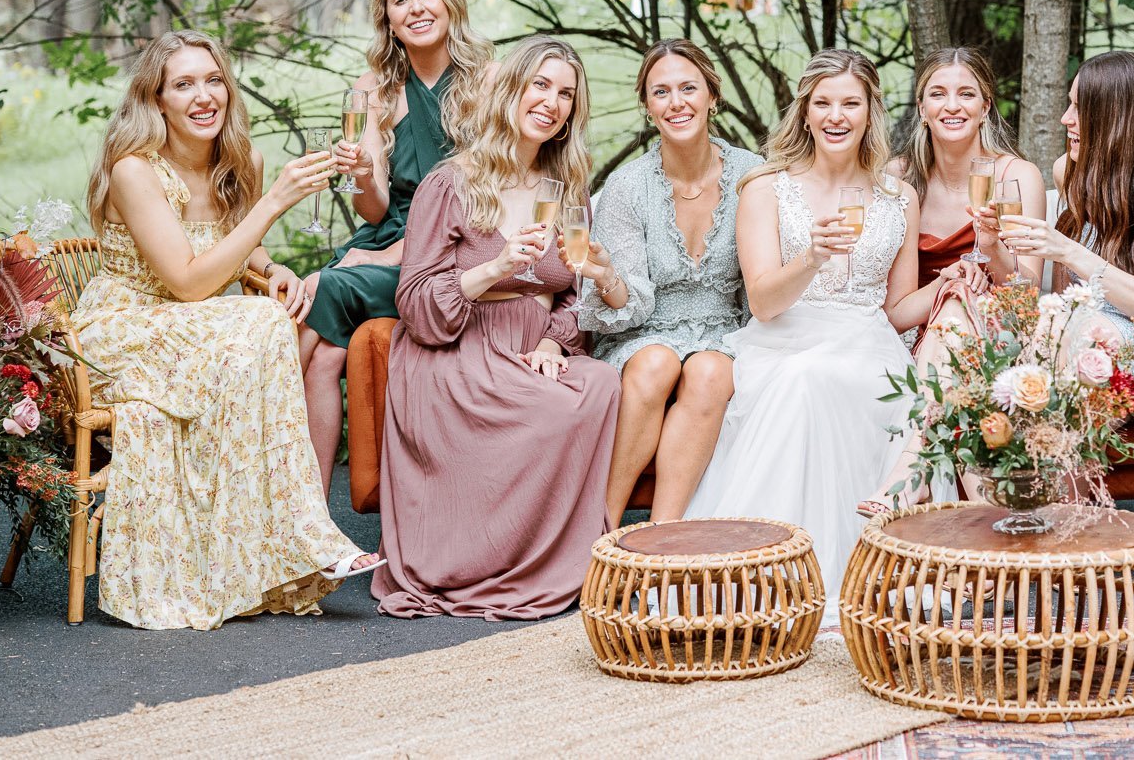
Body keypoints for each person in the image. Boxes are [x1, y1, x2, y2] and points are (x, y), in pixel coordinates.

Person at [73, 30, 381, 631]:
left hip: (200, 327)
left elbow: (238, 250)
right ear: (156, 98)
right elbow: (187, 281)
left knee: (268, 318)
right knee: (263, 323)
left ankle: (267, 550)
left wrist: (272, 267)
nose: (203, 96)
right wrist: (276, 204)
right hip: (126, 328)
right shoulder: (135, 170)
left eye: (213, 80)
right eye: (183, 84)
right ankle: (307, 534)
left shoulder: (242, 159)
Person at [373, 36, 621, 620]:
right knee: (550, 410)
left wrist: (553, 342)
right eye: (540, 85)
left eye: (565, 94)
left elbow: (570, 286)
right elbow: (414, 301)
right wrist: (494, 268)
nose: (551, 102)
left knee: (600, 385)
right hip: (458, 344)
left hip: (527, 343)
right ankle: (486, 562)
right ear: (511, 90)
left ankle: (554, 558)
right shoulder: (451, 183)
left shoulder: (566, 192)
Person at [683, 49, 926, 624]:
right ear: (805, 111)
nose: (836, 116)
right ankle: (770, 581)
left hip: (869, 339)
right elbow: (764, 302)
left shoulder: (899, 198)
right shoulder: (765, 189)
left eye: (850, 103)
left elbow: (895, 308)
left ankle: (862, 578)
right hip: (783, 339)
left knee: (878, 386)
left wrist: (949, 290)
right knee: (804, 379)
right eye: (823, 103)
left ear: (871, 111)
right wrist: (812, 257)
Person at [299, 0, 493, 487]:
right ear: (386, 16)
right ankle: (309, 514)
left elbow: (479, 210)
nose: (416, 8)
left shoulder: (489, 82)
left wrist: (382, 256)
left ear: (450, 1)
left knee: (323, 287)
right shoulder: (373, 85)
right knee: (322, 360)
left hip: (448, 249)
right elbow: (375, 208)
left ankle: (249, 437)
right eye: (400, 0)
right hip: (386, 236)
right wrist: (361, 171)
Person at [999, 50, 1134, 460]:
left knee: (1078, 337)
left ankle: (1049, 492)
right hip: (1091, 330)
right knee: (1055, 331)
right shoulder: (1070, 169)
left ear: (1117, 119)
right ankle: (1053, 486)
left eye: (1080, 109)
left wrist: (1068, 250)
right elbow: (1068, 293)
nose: (1066, 119)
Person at [581, 40, 759, 526]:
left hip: (726, 331)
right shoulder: (628, 186)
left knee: (710, 373)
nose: (676, 102)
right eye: (661, 92)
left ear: (711, 97)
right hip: (643, 328)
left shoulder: (752, 176)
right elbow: (628, 305)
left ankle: (662, 537)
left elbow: (762, 284)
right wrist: (606, 275)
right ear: (648, 107)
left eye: (688, 88)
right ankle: (601, 529)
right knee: (657, 362)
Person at [863, 46, 1047, 515]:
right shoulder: (898, 180)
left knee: (963, 303)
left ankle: (913, 472)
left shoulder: (1016, 176)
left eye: (967, 94)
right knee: (956, 299)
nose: (952, 106)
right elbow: (898, 311)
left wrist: (992, 249)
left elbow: (1027, 300)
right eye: (938, 94)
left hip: (1005, 333)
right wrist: (949, 281)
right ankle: (941, 498)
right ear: (921, 108)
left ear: (986, 106)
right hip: (922, 334)